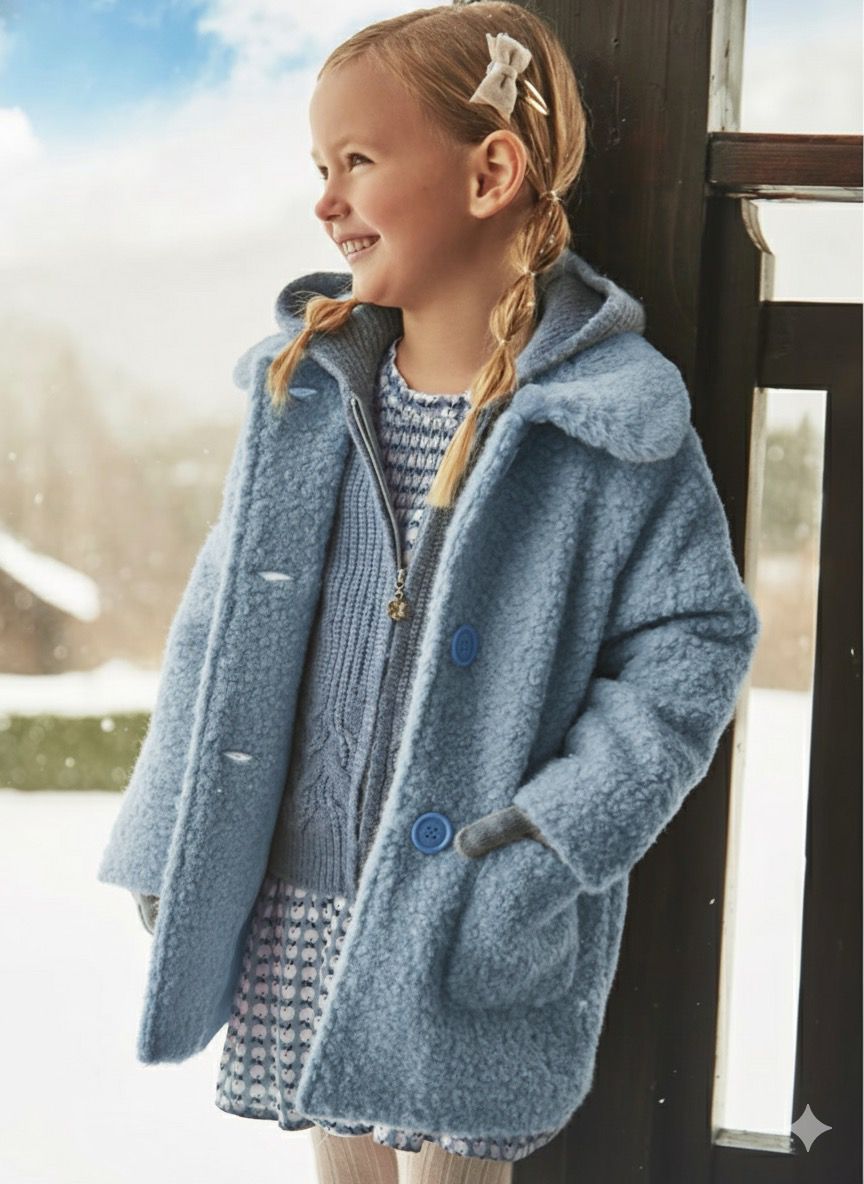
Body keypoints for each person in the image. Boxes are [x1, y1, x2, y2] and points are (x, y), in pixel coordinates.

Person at [98, 4, 762, 1183]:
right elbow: (216, 628)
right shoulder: (306, 391)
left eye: (357, 160)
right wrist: (170, 831)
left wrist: (545, 842)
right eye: (319, 167)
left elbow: (694, 641)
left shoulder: (604, 419)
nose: (326, 202)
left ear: (490, 173)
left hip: (466, 904)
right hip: (300, 889)